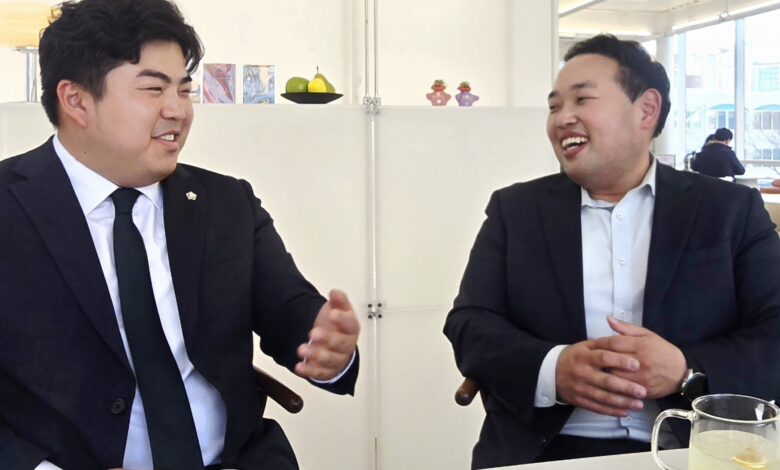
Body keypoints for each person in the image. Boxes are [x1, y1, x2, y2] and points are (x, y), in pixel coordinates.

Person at [0, 0, 360, 469]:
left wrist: (330, 348)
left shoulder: (226, 203)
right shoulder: (9, 209)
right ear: (77, 100)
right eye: (153, 89)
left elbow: (290, 311)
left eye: (184, 90)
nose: (179, 111)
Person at [444, 34, 780, 469]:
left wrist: (686, 370)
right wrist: (552, 368)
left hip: (690, 448)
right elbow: (470, 322)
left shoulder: (729, 210)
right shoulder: (516, 211)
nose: (562, 118)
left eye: (582, 99)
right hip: (543, 451)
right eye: (554, 107)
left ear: (647, 109)